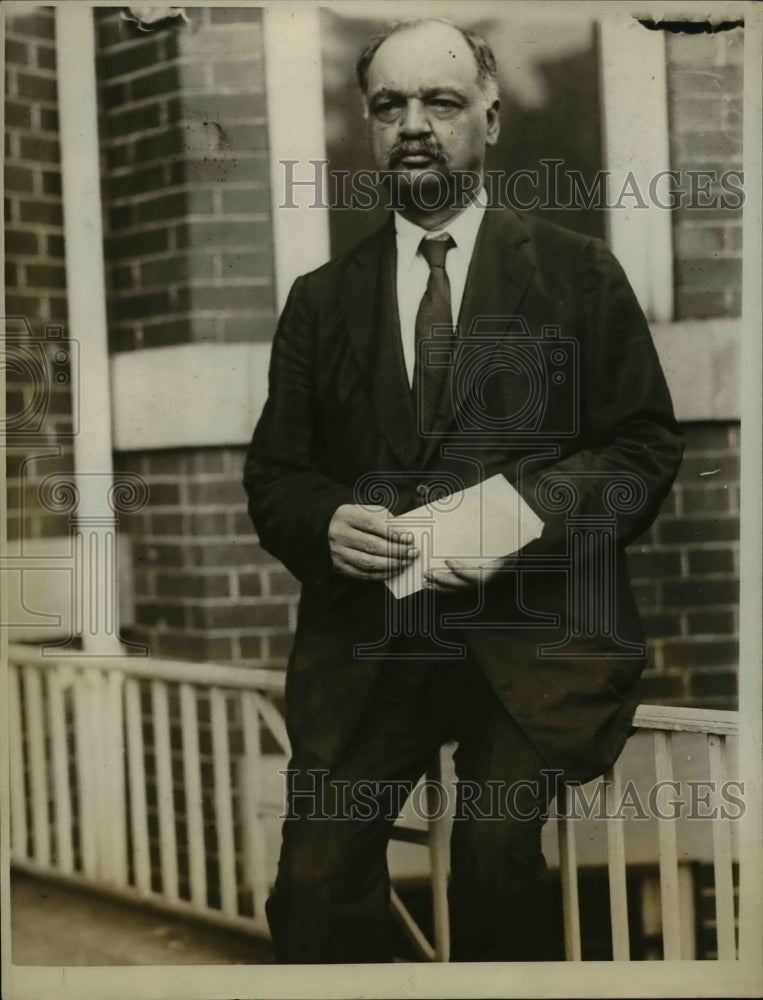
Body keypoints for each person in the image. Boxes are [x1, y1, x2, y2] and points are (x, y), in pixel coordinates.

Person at [243, 18, 683, 963]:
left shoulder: (577, 274)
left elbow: (642, 447)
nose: (413, 125)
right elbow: (276, 476)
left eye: (439, 102)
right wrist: (325, 521)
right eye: (388, 106)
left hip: (527, 642)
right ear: (369, 127)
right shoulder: (320, 300)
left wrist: (520, 516)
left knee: (494, 863)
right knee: (312, 889)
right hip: (372, 646)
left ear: (488, 118)